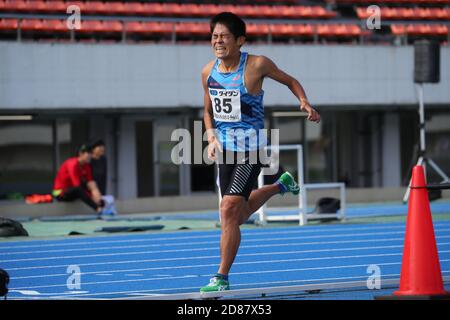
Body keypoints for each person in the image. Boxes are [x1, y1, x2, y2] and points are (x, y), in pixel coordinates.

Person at [200, 12, 320, 293]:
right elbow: (207, 109)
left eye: (224, 36)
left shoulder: (256, 65)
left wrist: (304, 102)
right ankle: (282, 184)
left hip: (251, 149)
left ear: (240, 40)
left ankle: (221, 277)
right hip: (226, 150)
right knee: (235, 217)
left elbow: (290, 80)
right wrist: (210, 136)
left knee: (228, 209)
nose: (218, 41)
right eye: (214, 36)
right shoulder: (208, 71)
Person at [52, 144, 104, 213]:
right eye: (88, 153)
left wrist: (98, 199)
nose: (90, 156)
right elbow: (77, 186)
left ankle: (101, 204)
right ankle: (97, 208)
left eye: (91, 153)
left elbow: (90, 183)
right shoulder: (72, 164)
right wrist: (91, 198)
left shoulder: (87, 166)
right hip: (59, 193)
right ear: (80, 154)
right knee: (79, 189)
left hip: (72, 191)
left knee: (92, 183)